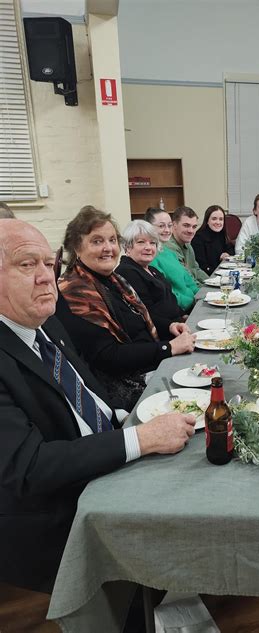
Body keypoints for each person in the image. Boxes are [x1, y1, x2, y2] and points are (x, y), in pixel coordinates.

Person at [0, 219, 196, 593]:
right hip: (58, 507)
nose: (46, 277)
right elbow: (29, 469)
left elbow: (87, 390)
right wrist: (140, 438)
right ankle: (154, 598)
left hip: (102, 448)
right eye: (27, 264)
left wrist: (125, 417)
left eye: (48, 263)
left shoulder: (45, 323)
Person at [56, 206, 195, 411]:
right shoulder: (75, 293)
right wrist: (169, 348)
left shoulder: (113, 279)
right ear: (77, 247)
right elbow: (109, 357)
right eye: (97, 241)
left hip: (149, 364)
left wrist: (171, 326)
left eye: (112, 240)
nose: (108, 248)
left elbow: (139, 317)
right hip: (127, 389)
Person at [116, 220, 190, 333]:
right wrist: (172, 325)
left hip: (178, 324)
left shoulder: (152, 269)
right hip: (164, 334)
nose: (148, 247)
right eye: (141, 242)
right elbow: (144, 314)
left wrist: (184, 316)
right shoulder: (127, 271)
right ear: (127, 247)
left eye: (152, 243)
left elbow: (170, 299)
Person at [148, 209, 200, 311]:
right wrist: (192, 301)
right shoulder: (150, 258)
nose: (167, 230)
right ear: (148, 227)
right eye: (161, 226)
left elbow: (189, 281)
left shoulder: (169, 252)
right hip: (182, 309)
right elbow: (167, 294)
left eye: (169, 225)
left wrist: (202, 296)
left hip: (193, 304)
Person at [166, 206, 209, 284]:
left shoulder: (188, 245)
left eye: (194, 227)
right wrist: (206, 290)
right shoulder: (169, 248)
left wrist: (212, 283)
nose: (191, 231)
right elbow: (186, 279)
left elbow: (196, 270)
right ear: (174, 225)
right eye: (186, 225)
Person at [191, 205, 235, 275]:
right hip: (208, 277)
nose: (218, 222)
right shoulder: (198, 239)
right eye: (214, 219)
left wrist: (227, 254)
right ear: (207, 221)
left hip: (222, 273)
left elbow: (231, 249)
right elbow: (202, 267)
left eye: (221, 219)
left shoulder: (221, 234)